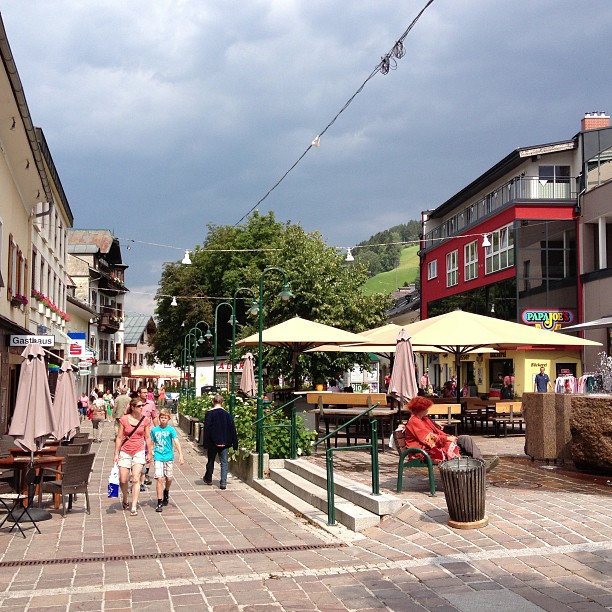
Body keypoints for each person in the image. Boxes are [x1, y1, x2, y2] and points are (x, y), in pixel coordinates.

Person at [402, 396, 499, 472]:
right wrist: (447, 439)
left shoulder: (424, 419)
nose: (428, 410)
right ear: (420, 409)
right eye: (426, 408)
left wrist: (448, 437)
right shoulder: (414, 421)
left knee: (465, 438)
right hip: (425, 451)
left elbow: (438, 432)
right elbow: (429, 439)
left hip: (435, 446)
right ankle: (479, 467)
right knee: (458, 445)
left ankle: (481, 463)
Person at [114, 397, 153, 516]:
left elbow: (147, 437)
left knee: (136, 478)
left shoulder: (145, 420)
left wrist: (150, 452)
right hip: (125, 451)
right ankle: (125, 497)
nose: (142, 408)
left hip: (139, 451)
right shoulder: (124, 420)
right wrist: (116, 453)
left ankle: (134, 506)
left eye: (142, 406)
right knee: (123, 479)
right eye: (139, 406)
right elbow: (119, 437)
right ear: (132, 407)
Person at [151, 408, 184, 512]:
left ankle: (167, 491)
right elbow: (151, 443)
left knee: (169, 478)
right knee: (159, 478)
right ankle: (159, 501)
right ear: (159, 418)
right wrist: (150, 453)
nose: (163, 419)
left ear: (168, 419)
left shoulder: (171, 430)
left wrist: (181, 455)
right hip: (158, 456)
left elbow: (176, 442)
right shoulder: (154, 430)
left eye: (165, 418)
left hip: (168, 456)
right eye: (161, 418)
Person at [203, 394, 238, 489]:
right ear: (222, 402)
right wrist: (235, 444)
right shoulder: (227, 414)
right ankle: (223, 482)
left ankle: (209, 478)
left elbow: (207, 429)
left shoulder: (209, 413)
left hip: (212, 442)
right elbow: (232, 429)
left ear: (213, 402)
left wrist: (205, 443)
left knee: (211, 460)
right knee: (224, 462)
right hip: (225, 442)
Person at [138, 386, 159, 490]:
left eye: (146, 392)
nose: (146, 394)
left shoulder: (151, 404)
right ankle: (138, 473)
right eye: (144, 392)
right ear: (139, 393)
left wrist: (158, 430)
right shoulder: (135, 404)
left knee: (148, 453)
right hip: (137, 433)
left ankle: (145, 473)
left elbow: (154, 417)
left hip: (148, 433)